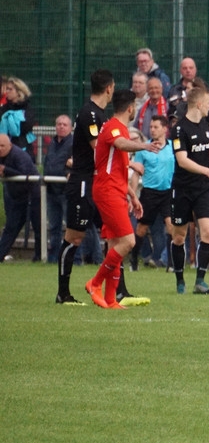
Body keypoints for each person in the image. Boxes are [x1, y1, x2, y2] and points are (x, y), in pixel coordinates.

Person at [84, 90, 156, 308]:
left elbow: (117, 169)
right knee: (128, 241)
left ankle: (110, 298)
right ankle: (95, 283)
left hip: (114, 189)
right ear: (131, 107)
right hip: (107, 191)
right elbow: (121, 143)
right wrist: (144, 145)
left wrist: (133, 195)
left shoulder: (118, 128)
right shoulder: (115, 127)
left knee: (115, 243)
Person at [56, 69, 115, 305]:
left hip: (98, 182)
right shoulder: (89, 113)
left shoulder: (101, 114)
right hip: (83, 183)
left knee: (116, 234)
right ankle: (63, 293)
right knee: (74, 237)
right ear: (109, 88)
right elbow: (98, 146)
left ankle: (117, 290)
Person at [169, 85, 209, 294]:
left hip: (203, 188)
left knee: (208, 232)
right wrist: (208, 173)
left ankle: (200, 281)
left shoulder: (205, 125)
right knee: (179, 236)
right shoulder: (178, 129)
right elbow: (182, 161)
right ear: (199, 104)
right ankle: (180, 279)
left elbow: (207, 152)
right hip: (183, 188)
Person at [130, 114, 174, 269]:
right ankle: (134, 259)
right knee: (141, 229)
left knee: (171, 226)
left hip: (168, 193)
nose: (153, 130)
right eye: (151, 127)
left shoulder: (173, 147)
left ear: (164, 129)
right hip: (149, 193)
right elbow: (136, 172)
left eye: (156, 127)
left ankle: (171, 263)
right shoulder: (144, 149)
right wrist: (133, 194)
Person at [0, 134, 39, 262]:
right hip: (17, 196)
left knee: (37, 226)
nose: (0, 149)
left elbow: (25, 174)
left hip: (32, 194)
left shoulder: (19, 155)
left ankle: (39, 257)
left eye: (2, 146)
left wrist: (6, 170)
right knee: (11, 227)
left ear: (9, 145)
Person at [44, 114, 73, 262]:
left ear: (71, 127)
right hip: (51, 191)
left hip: (66, 192)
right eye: (58, 124)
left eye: (64, 124)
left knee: (71, 227)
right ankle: (53, 258)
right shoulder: (52, 143)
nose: (61, 127)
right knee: (54, 226)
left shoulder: (74, 144)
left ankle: (73, 258)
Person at [1, 76, 37, 154]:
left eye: (10, 89)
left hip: (23, 148)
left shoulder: (27, 109)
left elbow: (25, 128)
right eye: (7, 88)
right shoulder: (3, 109)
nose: (7, 91)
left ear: (19, 92)